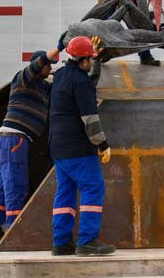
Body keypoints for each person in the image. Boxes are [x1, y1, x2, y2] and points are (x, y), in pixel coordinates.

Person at [0, 46, 61, 244]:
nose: (50, 69)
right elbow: (37, 65)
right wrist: (59, 48)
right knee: (16, 185)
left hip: (14, 140)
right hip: (14, 138)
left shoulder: (42, 87)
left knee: (3, 187)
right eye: (48, 65)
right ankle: (14, 232)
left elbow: (61, 84)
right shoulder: (23, 78)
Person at [49, 35, 115, 256]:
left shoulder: (60, 76)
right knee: (93, 188)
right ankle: (87, 240)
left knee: (65, 193)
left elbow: (84, 81)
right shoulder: (82, 82)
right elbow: (90, 118)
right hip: (78, 148)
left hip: (58, 147)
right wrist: (103, 144)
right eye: (90, 59)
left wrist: (93, 59)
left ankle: (61, 243)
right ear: (85, 61)